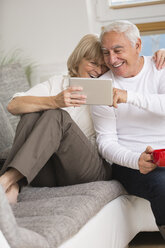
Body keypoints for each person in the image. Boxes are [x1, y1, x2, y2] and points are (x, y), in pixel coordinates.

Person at [0, 33, 164, 205]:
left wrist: (159, 54)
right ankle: (14, 182)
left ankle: (7, 180)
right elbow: (13, 105)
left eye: (104, 67)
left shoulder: (112, 89)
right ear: (77, 60)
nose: (99, 71)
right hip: (47, 170)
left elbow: (141, 77)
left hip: (88, 168)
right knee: (32, 112)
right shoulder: (58, 83)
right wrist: (54, 100)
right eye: (93, 63)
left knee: (57, 115)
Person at [91, 20, 165, 239]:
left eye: (118, 50)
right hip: (133, 164)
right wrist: (136, 161)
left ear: (138, 45)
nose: (112, 59)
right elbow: (105, 143)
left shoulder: (160, 68)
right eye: (106, 53)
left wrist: (128, 97)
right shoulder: (102, 87)